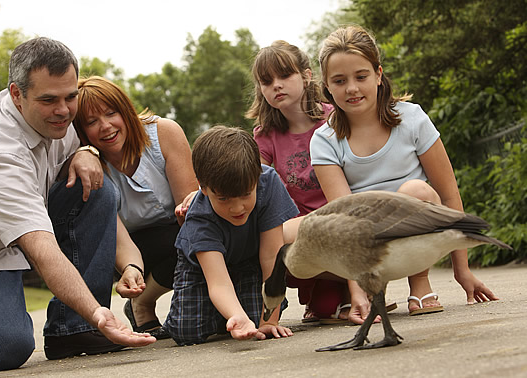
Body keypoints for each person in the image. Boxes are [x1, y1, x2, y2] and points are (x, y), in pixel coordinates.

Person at [0, 37, 155, 371]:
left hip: (6, 241)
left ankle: (73, 331)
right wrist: (98, 313)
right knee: (7, 349)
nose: (63, 110)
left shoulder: (57, 119)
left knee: (97, 188)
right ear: (16, 94)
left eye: (70, 97)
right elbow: (41, 249)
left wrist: (86, 151)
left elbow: (83, 163)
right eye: (49, 100)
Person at [310, 25, 498, 324]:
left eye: (361, 77)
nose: (352, 89)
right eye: (340, 81)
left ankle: (419, 281)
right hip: (366, 238)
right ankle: (367, 291)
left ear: (379, 74)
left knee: (416, 191)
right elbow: (343, 222)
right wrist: (357, 289)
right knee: (314, 230)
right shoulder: (324, 140)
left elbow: (448, 194)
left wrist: (462, 270)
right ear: (327, 87)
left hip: (420, 226)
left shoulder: (412, 119)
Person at [73, 76, 198, 339]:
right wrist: (131, 268)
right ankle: (142, 304)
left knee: (192, 239)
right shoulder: (90, 165)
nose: (105, 126)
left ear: (126, 111)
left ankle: (148, 301)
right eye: (92, 121)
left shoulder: (164, 133)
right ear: (83, 132)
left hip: (178, 232)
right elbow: (114, 236)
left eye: (111, 113)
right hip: (128, 246)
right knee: (173, 242)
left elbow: (191, 213)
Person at [246, 40, 350, 324]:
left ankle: (354, 285)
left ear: (306, 75)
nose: (276, 85)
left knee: (326, 306)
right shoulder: (265, 135)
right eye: (266, 82)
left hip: (341, 221)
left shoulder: (335, 118)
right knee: (324, 309)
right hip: (299, 231)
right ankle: (334, 287)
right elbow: (252, 183)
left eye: (284, 76)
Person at [164, 125, 298, 345]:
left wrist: (270, 321)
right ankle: (219, 311)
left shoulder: (269, 182)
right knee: (186, 332)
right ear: (203, 188)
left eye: (246, 195)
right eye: (224, 199)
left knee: (258, 322)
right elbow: (218, 283)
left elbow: (271, 259)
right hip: (200, 270)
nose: (237, 208)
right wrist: (236, 316)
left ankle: (227, 310)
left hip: (248, 261)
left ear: (257, 177)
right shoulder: (199, 215)